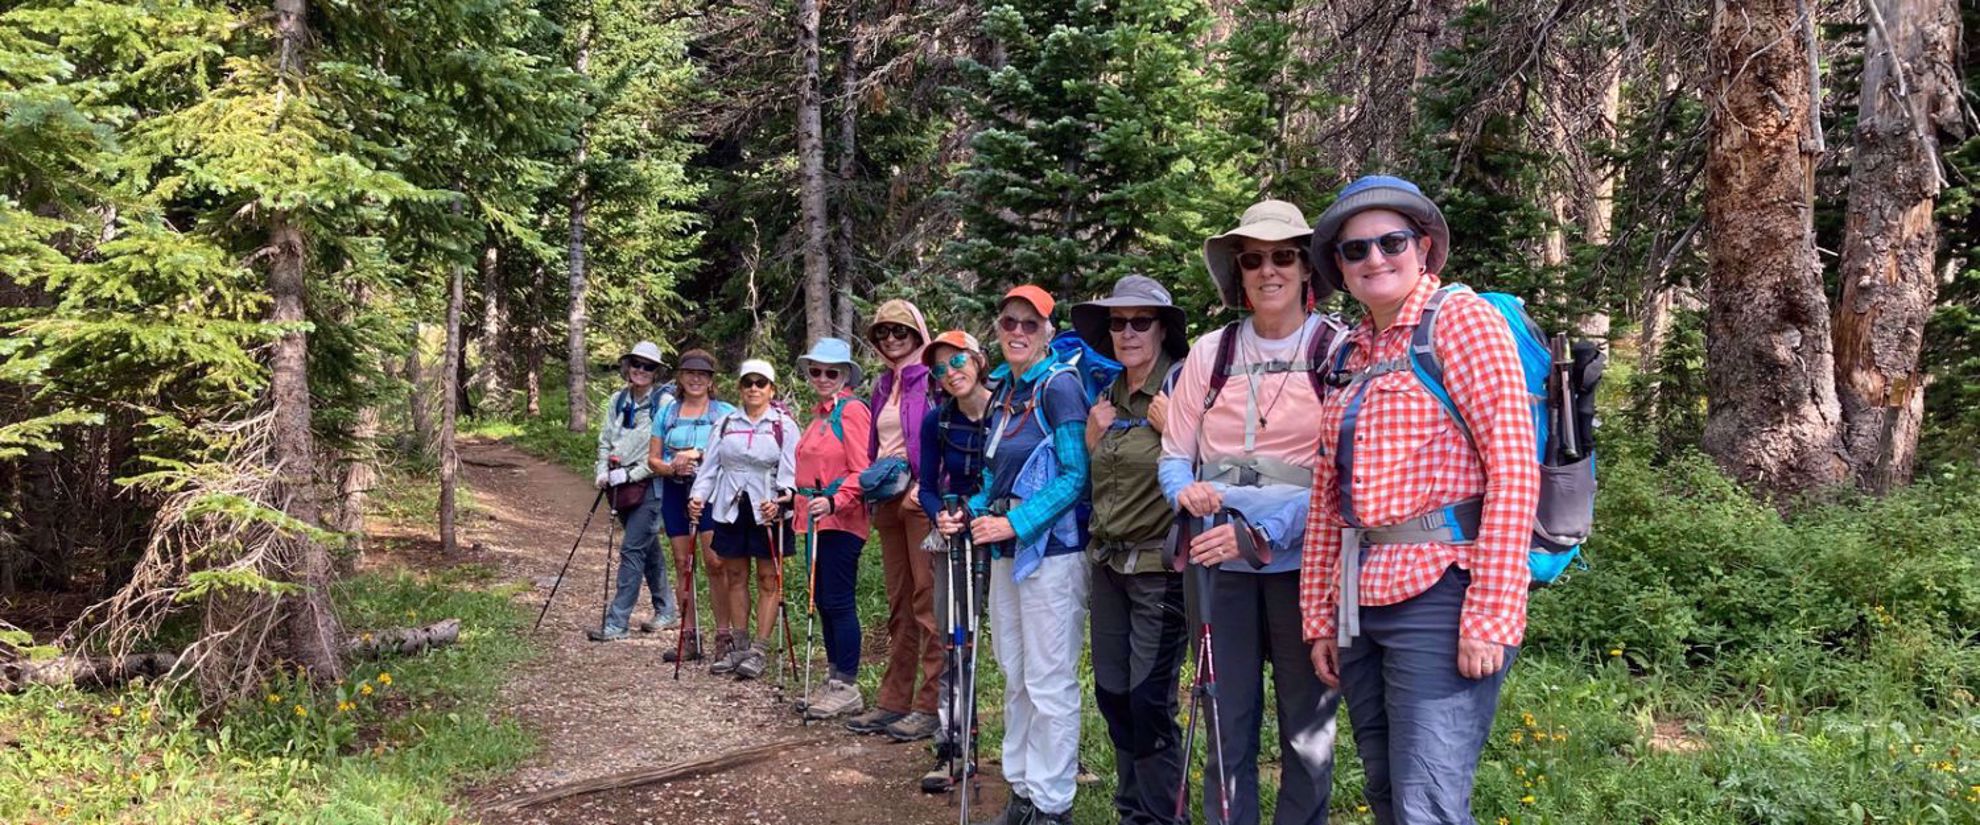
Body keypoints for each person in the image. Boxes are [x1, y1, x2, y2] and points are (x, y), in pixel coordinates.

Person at [1299, 176, 1539, 824]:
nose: (1375, 258)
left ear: (1423, 245)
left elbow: (1514, 468)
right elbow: (1329, 499)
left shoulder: (1460, 321)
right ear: (1341, 269)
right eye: (1356, 250)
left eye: (1391, 241)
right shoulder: (1350, 351)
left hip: (1441, 591)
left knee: (1425, 801)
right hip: (1360, 597)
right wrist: (1321, 614)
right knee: (1383, 787)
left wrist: (1492, 610)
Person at [1159, 200, 1348, 825]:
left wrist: (1262, 531)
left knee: (1307, 727)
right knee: (1223, 719)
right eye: (1253, 259)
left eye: (1283, 256)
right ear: (1237, 273)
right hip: (1217, 568)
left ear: (1306, 268)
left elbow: (1343, 473)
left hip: (1306, 564)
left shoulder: (1340, 352)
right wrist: (1183, 494)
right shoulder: (1210, 354)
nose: (1269, 270)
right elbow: (1173, 455)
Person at [935, 285, 1090, 825]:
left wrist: (1014, 521)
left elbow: (1075, 475)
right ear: (997, 329)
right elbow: (994, 476)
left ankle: (1053, 802)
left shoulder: (1060, 387)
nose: (1018, 332)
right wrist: (968, 509)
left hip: (1052, 552)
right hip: (1006, 551)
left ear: (1048, 330)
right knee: (1017, 673)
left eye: (1030, 323)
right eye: (1008, 322)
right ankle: (1023, 788)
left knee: (1050, 678)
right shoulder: (1006, 393)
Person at [1071, 275, 1191, 824]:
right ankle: (1131, 809)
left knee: (1149, 700)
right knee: (1113, 694)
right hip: (1109, 566)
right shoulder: (1108, 396)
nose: (1127, 332)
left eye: (1140, 321)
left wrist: (1183, 435)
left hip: (1160, 568)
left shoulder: (1184, 390)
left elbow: (1211, 474)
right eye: (1117, 323)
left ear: (1163, 328)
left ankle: (1165, 816)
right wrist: (1094, 442)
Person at [844, 299, 947, 743]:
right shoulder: (883, 386)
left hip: (921, 503)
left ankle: (931, 705)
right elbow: (875, 446)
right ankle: (894, 699)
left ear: (918, 335)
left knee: (928, 602)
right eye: (883, 333)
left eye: (900, 332)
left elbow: (949, 437)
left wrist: (929, 490)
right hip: (887, 500)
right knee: (898, 602)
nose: (891, 340)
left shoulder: (933, 381)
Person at [914, 329, 993, 793]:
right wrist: (938, 516)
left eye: (958, 361)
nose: (950, 373)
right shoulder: (936, 420)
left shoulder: (1007, 407)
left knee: (1018, 648)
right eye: (940, 369)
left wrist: (976, 509)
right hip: (954, 537)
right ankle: (952, 741)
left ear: (978, 360)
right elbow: (926, 483)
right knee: (953, 639)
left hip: (1003, 533)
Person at [688, 359, 799, 680]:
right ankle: (739, 646)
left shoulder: (784, 425)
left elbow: (791, 473)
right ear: (739, 387)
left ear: (771, 389)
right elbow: (710, 468)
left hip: (768, 507)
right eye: (747, 382)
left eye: (760, 383)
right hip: (730, 506)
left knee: (768, 578)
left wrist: (783, 500)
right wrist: (698, 498)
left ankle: (759, 650)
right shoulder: (724, 424)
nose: (753, 388)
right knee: (734, 574)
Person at [791, 338, 874, 719]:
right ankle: (834, 678)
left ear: (844, 375)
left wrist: (836, 500)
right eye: (816, 371)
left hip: (841, 518)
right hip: (813, 518)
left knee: (838, 600)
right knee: (822, 599)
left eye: (831, 372)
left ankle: (847, 685)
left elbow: (862, 471)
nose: (822, 377)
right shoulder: (820, 415)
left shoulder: (852, 411)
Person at [651, 349, 736, 663]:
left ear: (712, 379)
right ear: (680, 377)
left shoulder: (725, 412)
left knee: (716, 562)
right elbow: (653, 459)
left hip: (715, 492)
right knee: (682, 562)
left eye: (703, 374)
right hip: (676, 491)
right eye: (690, 373)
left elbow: (736, 451)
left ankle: (724, 636)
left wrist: (699, 454)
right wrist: (672, 468)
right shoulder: (667, 413)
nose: (696, 378)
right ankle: (688, 636)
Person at [589, 341, 677, 642]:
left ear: (656, 371)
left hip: (649, 485)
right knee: (647, 548)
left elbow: (663, 453)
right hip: (620, 486)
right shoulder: (618, 400)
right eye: (636, 364)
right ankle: (666, 610)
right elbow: (605, 440)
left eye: (648, 366)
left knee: (631, 550)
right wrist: (602, 471)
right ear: (628, 366)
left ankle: (617, 622)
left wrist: (630, 473)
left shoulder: (664, 404)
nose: (640, 370)